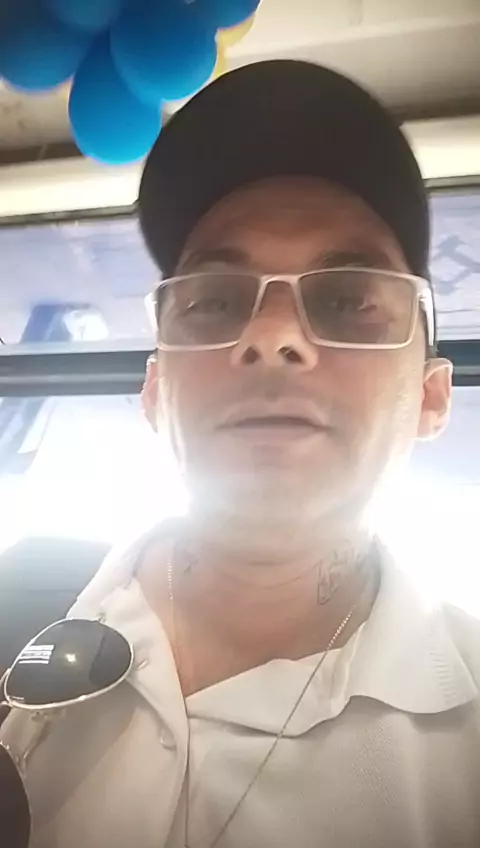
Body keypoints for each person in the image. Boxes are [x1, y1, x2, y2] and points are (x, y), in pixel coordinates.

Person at [1, 59, 480, 848]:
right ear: (155, 391)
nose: (273, 334)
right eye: (217, 301)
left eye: (347, 300)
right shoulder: (16, 601)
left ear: (431, 398)